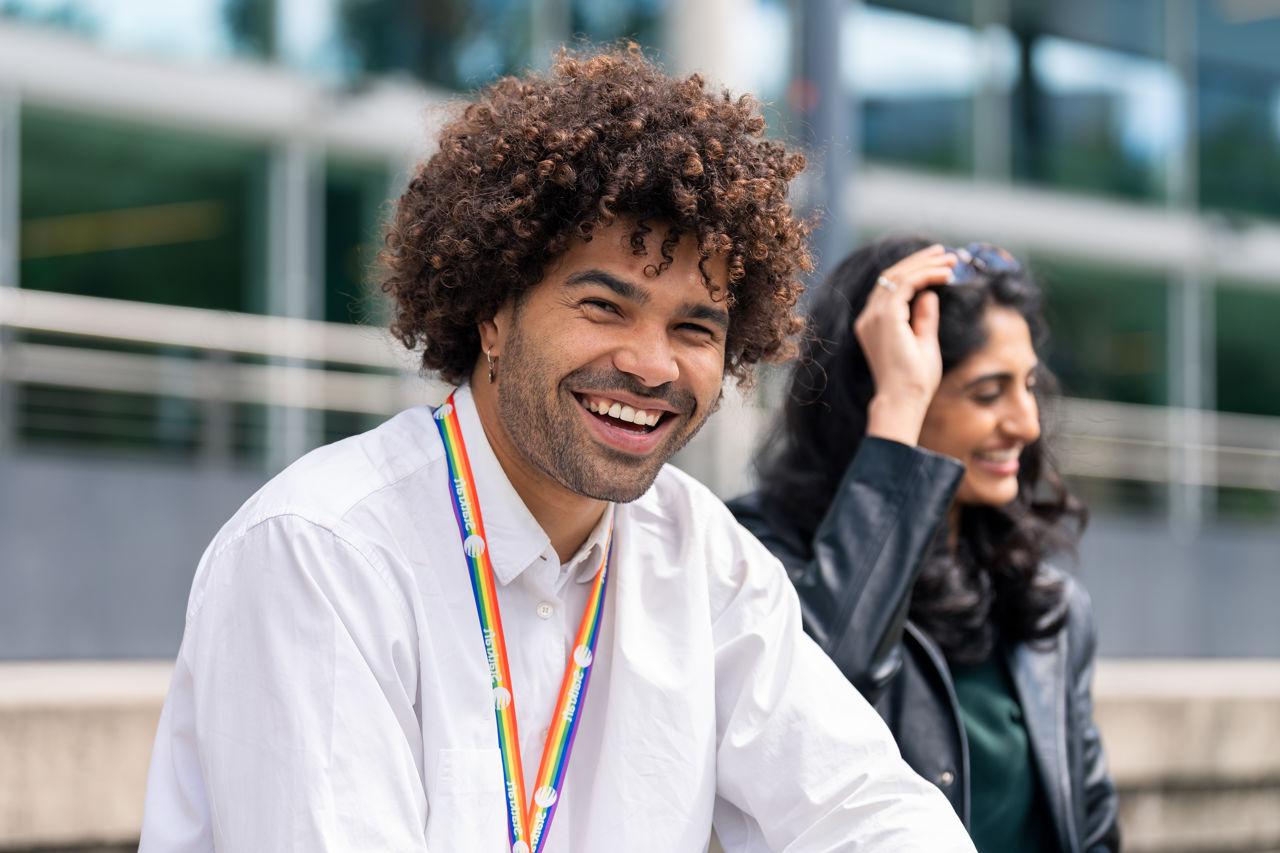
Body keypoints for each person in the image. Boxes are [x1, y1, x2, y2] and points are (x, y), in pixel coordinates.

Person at [137, 49, 974, 852]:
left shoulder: (702, 555)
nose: (653, 364)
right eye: (605, 306)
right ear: (493, 314)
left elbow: (861, 805)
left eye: (694, 328)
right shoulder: (321, 550)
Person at [729, 237, 1121, 852]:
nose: (1027, 422)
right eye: (988, 393)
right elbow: (815, 699)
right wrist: (900, 413)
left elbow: (1092, 830)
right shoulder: (750, 555)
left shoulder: (1050, 606)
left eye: (1029, 385)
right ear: (878, 396)